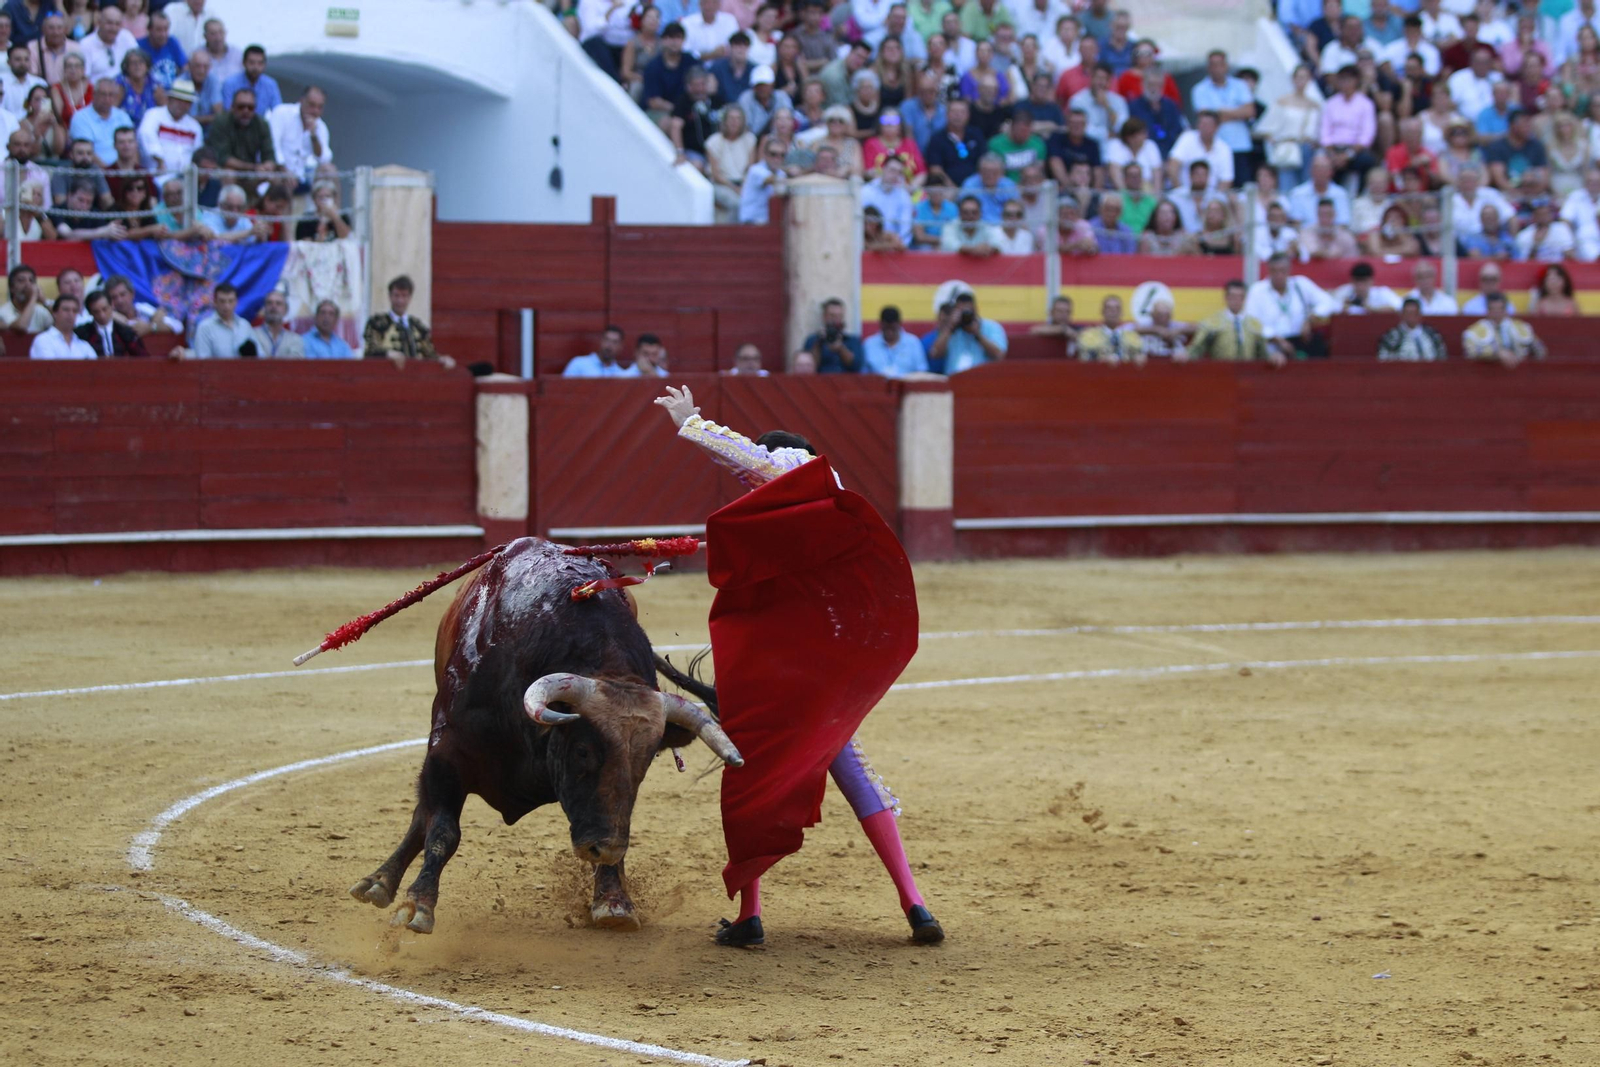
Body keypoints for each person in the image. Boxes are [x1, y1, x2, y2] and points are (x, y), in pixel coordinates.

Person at [651, 383, 942, 949]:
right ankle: (915, 905)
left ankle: (750, 915)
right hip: (824, 669)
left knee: (752, 780)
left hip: (779, 677)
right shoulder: (825, 518)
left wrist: (693, 423)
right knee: (854, 772)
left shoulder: (799, 474)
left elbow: (760, 464)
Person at [1245, 252, 1334, 361]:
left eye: (1283, 271)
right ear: (1269, 270)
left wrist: (1310, 319)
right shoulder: (1257, 290)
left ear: (1289, 270)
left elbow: (1329, 302)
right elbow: (1252, 321)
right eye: (1274, 271)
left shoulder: (1301, 284)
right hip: (1271, 345)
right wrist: (1277, 340)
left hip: (1301, 342)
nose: (1279, 275)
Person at [364, 274, 454, 369]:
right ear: (390, 296)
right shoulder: (377, 323)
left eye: (404, 296)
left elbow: (429, 354)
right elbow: (370, 350)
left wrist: (441, 359)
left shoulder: (418, 326)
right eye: (396, 295)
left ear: (410, 298)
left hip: (415, 376)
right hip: (386, 374)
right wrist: (387, 353)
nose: (400, 301)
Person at [1186, 279, 1277, 364]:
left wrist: (1273, 356)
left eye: (1240, 297)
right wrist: (1186, 355)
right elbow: (1197, 348)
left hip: (1248, 372)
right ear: (1226, 297)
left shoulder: (1255, 324)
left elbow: (1263, 353)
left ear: (1244, 299)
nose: (1236, 300)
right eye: (1233, 296)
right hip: (1221, 370)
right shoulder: (1212, 322)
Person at [926, 288, 1006, 372]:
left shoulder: (992, 327)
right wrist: (949, 328)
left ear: (975, 310)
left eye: (967, 312)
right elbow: (935, 354)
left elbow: (999, 355)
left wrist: (978, 335)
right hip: (954, 377)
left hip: (981, 377)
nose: (965, 316)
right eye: (961, 312)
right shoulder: (951, 329)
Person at [137, 75, 201, 179]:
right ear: (170, 99)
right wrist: (160, 160)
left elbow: (198, 153)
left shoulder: (194, 126)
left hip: (186, 178)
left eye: (187, 102)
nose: (182, 105)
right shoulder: (153, 115)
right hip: (157, 176)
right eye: (179, 100)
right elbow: (145, 135)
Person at [268, 86, 331, 187]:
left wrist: (314, 135)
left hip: (304, 178)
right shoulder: (282, 113)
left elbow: (323, 158)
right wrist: (284, 170)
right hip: (280, 172)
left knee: (329, 170)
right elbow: (273, 146)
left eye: (320, 107)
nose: (315, 111)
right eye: (312, 105)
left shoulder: (321, 127)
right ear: (302, 101)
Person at [1462, 292, 1544, 365]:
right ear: (1487, 311)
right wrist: (1496, 354)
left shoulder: (1521, 327)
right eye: (1493, 309)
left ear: (1506, 310)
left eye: (1500, 309)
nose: (1497, 313)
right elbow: (1471, 352)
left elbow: (1540, 350)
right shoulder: (1475, 331)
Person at [67, 76, 130, 164]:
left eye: (111, 95)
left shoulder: (123, 116)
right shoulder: (80, 118)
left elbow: (133, 149)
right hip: (94, 170)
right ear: (94, 95)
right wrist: (109, 171)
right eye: (103, 95)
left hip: (123, 169)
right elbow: (86, 153)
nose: (107, 99)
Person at [75, 288, 148, 358]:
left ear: (111, 306)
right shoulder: (82, 334)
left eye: (105, 309)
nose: (102, 315)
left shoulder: (126, 333)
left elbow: (143, 359)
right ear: (90, 312)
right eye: (96, 312)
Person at [1075, 294, 1143, 364]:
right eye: (1109, 308)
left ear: (1121, 312)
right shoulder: (1089, 336)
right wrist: (1102, 360)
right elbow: (1084, 361)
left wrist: (1139, 358)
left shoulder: (1133, 337)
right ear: (1102, 311)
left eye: (1117, 308)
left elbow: (1139, 356)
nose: (1113, 311)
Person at [802, 297, 865, 373]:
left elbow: (857, 366)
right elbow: (808, 368)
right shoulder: (812, 340)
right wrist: (819, 342)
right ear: (824, 317)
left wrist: (841, 349)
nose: (835, 319)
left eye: (839, 316)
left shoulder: (853, 341)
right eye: (832, 315)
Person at [862, 305, 928, 376]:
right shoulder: (869, 344)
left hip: (907, 382)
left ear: (900, 324)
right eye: (886, 327)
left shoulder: (913, 343)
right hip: (877, 382)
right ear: (881, 324)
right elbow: (863, 374)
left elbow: (922, 372)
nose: (889, 331)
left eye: (893, 327)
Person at [861, 156, 913, 244]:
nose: (895, 175)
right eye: (892, 170)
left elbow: (906, 229)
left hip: (893, 245)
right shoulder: (865, 191)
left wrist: (899, 244)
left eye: (899, 172)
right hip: (868, 244)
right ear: (883, 169)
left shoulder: (904, 196)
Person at [1378, 297, 1449, 361]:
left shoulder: (1432, 334)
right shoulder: (1392, 336)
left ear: (1420, 314)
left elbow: (1442, 357)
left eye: (1414, 313)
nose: (1411, 317)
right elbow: (1384, 359)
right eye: (1408, 313)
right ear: (1402, 315)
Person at [29, 295, 95, 359]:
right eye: (66, 310)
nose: (71, 314)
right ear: (54, 313)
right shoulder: (43, 340)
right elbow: (49, 366)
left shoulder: (84, 345)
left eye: (74, 311)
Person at [738, 138, 787, 223]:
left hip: (768, 221)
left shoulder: (781, 174)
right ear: (765, 154)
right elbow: (771, 180)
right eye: (773, 154)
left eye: (782, 155)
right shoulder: (755, 170)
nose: (777, 158)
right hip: (751, 222)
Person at [248, 289, 303, 359]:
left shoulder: (294, 339)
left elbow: (296, 363)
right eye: (269, 303)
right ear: (264, 309)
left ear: (285, 310)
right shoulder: (252, 334)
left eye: (278, 303)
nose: (273, 306)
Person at [1331, 261, 1403, 314]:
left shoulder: (1382, 293)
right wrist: (1343, 308)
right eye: (1357, 281)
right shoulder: (1343, 292)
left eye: (1364, 281)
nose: (1360, 285)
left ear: (1371, 281)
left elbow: (1399, 307)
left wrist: (1372, 309)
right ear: (1351, 281)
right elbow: (1330, 309)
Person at [563, 324, 629, 377]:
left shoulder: (621, 375)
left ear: (620, 347)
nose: (609, 345)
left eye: (614, 342)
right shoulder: (579, 364)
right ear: (600, 341)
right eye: (606, 340)